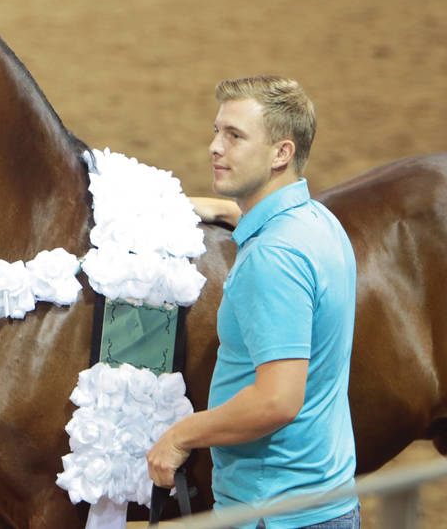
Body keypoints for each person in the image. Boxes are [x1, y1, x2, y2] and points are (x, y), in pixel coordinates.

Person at [146, 76, 358, 528]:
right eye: (217, 131)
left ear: (281, 153)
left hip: (272, 512)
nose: (215, 147)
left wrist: (181, 436)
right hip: (325, 501)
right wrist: (222, 210)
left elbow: (277, 401)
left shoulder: (273, 258)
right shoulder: (316, 220)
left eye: (235, 136)